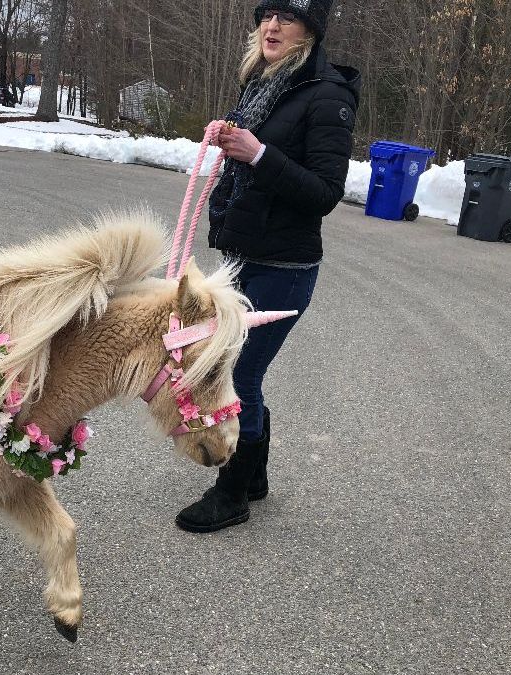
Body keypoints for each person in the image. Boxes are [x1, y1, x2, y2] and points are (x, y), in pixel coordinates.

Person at [175, 0, 360, 533]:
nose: (273, 24)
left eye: (289, 15)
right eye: (268, 13)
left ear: (311, 30)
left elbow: (325, 192)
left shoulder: (327, 95)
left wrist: (257, 154)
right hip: (244, 256)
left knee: (240, 373)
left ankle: (232, 493)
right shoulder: (264, 82)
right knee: (241, 368)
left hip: (285, 266)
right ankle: (252, 477)